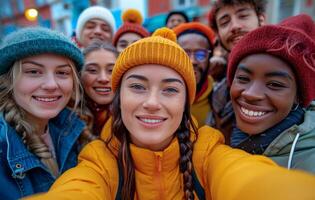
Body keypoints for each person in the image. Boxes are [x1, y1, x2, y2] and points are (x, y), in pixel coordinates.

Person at [26, 28, 315, 200]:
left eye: (170, 90)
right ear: (118, 96)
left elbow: (248, 179)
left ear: (186, 102)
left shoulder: (208, 150)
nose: (152, 102)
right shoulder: (99, 160)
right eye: (138, 87)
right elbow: (77, 189)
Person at [0, 27, 86, 198]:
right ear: (8, 80)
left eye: (62, 73)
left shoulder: (71, 128)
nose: (51, 85)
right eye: (33, 72)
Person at [227, 14, 315, 173]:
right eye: (243, 78)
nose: (251, 94)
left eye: (275, 84)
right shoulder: (226, 133)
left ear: (299, 97)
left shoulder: (308, 162)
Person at [207, 0, 267, 144]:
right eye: (224, 22)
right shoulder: (218, 91)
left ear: (261, 19)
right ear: (218, 34)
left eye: (243, 16)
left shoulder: (294, 71)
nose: (234, 26)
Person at [174, 22, 216, 127]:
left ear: (210, 58)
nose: (192, 61)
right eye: (184, 54)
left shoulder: (221, 96)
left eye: (201, 54)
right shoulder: (161, 96)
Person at [80, 40, 118, 138]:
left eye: (111, 70)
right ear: (79, 74)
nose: (103, 79)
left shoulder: (133, 119)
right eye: (93, 70)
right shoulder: (63, 119)